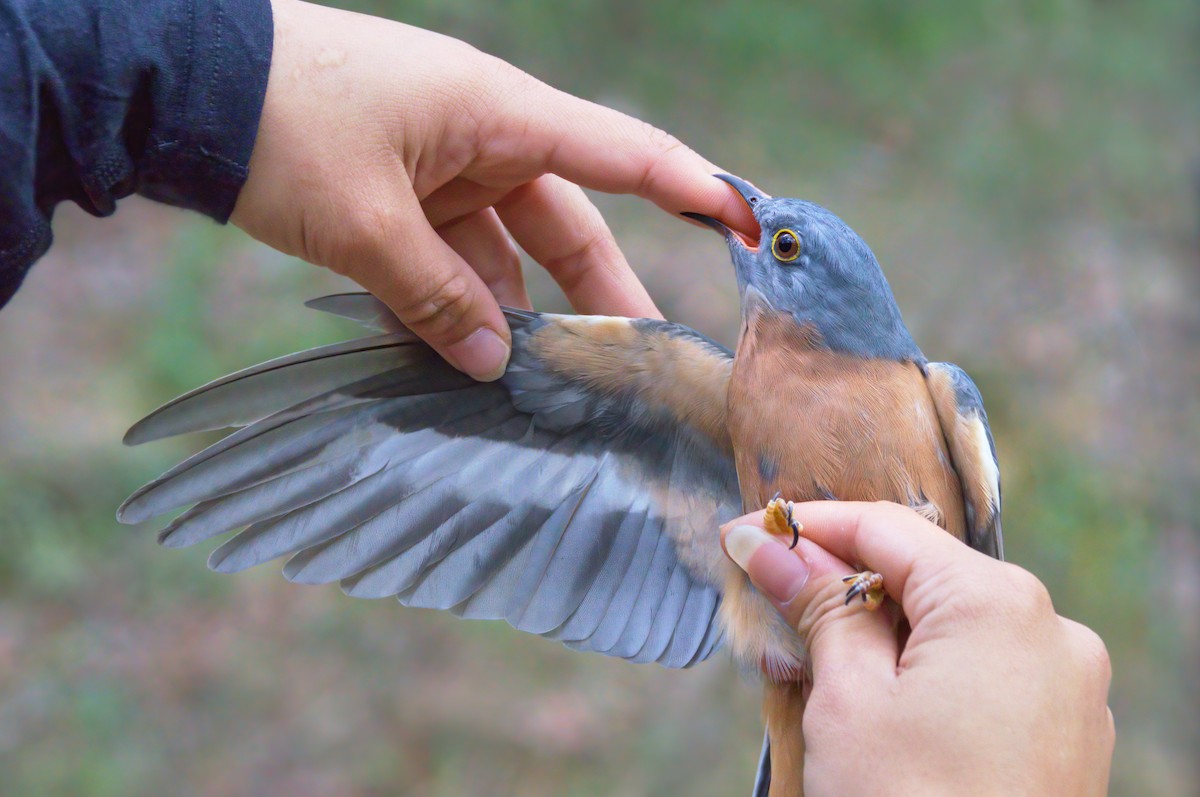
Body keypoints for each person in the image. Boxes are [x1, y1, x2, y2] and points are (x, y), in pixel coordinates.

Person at [0, 0, 1114, 793]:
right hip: (811, 701)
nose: (749, 236)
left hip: (923, 719)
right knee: (578, 367)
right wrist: (210, 77)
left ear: (817, 290)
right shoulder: (703, 390)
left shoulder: (938, 400)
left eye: (773, 242)